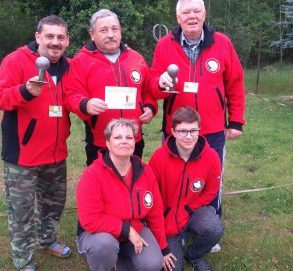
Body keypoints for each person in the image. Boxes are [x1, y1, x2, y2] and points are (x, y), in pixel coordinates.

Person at [149, 0, 245, 252]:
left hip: (212, 130)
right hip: (177, 130)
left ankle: (207, 229)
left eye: (196, 11)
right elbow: (153, 85)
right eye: (186, 12)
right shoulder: (164, 45)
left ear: (204, 14)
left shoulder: (222, 43)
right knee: (172, 181)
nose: (191, 16)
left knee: (211, 179)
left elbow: (235, 82)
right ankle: (175, 228)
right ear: (178, 17)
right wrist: (160, 83)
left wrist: (235, 120)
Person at [0, 15, 71, 271]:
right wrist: (23, 91)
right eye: (49, 36)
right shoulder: (15, 60)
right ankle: (23, 260)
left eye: (60, 37)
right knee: (21, 212)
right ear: (38, 37)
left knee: (53, 204)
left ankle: (46, 240)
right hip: (22, 155)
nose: (55, 42)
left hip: (56, 154)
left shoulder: (69, 66)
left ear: (67, 41)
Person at [76, 118, 176, 271]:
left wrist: (163, 248)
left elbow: (154, 212)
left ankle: (121, 259)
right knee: (104, 246)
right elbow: (90, 220)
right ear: (108, 143)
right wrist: (127, 230)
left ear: (134, 143)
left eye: (129, 137)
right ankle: (105, 264)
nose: (124, 141)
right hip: (98, 235)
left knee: (152, 264)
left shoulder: (145, 171)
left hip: (135, 231)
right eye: (117, 137)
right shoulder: (93, 174)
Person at [64, 9, 157, 167]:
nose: (110, 34)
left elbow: (148, 91)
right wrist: (86, 104)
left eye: (114, 29)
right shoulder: (81, 61)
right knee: (102, 188)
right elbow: (71, 95)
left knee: (133, 185)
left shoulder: (136, 58)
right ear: (92, 34)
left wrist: (149, 108)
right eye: (104, 30)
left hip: (133, 139)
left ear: (120, 32)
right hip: (100, 141)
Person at [148, 106, 224, 271]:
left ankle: (194, 255)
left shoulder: (211, 158)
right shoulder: (159, 158)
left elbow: (211, 191)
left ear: (199, 130)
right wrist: (163, 220)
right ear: (173, 131)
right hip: (167, 219)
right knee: (172, 268)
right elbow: (151, 195)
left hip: (193, 211)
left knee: (215, 228)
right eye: (182, 131)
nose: (189, 137)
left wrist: (188, 209)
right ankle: (174, 246)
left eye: (193, 131)